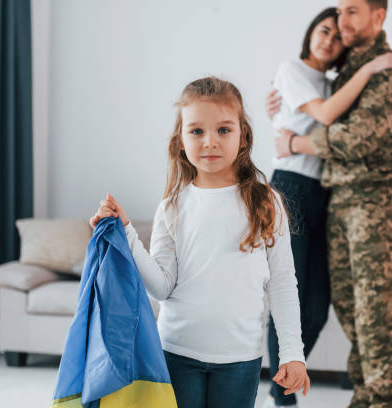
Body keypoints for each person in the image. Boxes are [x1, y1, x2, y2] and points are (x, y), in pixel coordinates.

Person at [90, 77, 310, 408]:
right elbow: (162, 287)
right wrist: (127, 233)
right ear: (181, 140)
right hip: (176, 352)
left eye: (223, 130)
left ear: (243, 135)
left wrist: (292, 352)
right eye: (196, 131)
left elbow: (282, 285)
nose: (210, 142)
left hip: (240, 358)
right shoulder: (172, 207)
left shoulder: (267, 202)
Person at [268, 1, 392, 407]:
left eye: (353, 11)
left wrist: (295, 143)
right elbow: (316, 112)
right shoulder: (344, 73)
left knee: (372, 305)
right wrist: (281, 108)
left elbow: (358, 137)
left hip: (373, 199)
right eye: (339, 14)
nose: (342, 22)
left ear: (379, 16)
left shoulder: (388, 69)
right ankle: (366, 392)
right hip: (336, 197)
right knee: (349, 306)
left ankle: (386, 398)